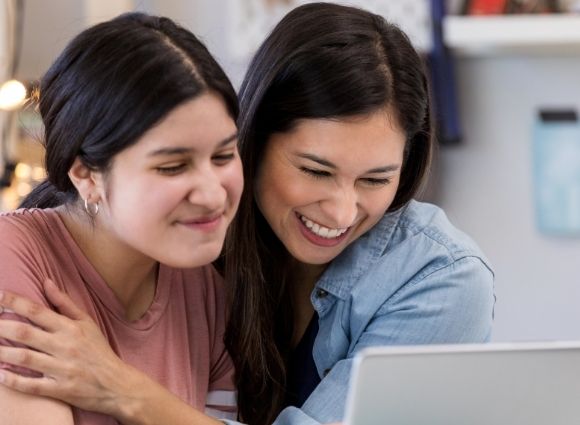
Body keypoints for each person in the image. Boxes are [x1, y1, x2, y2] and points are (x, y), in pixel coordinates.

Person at [0, 3, 495, 425]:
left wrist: (120, 388)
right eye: (315, 170)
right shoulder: (196, 252)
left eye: (376, 179)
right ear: (255, 141)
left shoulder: (437, 276)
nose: (344, 210)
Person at [0, 12, 244, 425]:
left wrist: (123, 389)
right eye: (172, 166)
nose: (213, 193)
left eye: (223, 156)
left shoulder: (205, 290)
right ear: (85, 175)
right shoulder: (13, 263)